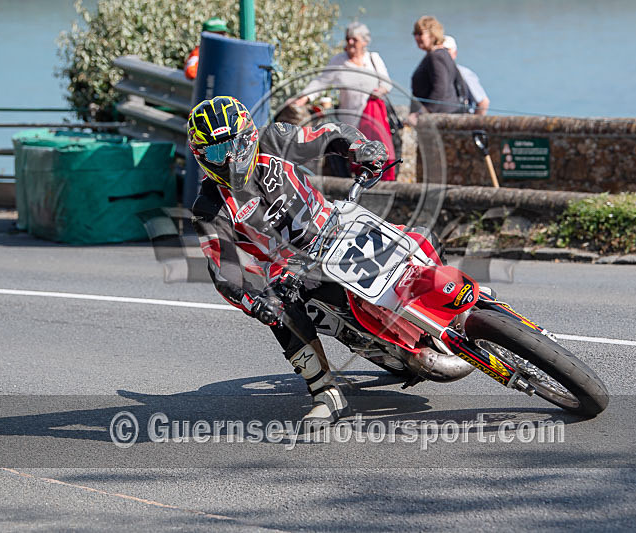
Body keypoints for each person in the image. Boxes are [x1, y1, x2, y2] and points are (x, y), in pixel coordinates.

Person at [187, 96, 388, 423]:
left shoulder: (275, 139)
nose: (228, 158)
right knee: (279, 311)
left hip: (336, 226)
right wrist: (255, 301)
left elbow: (328, 134)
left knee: (408, 235)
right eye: (214, 152)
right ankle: (325, 391)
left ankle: (472, 297)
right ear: (201, 158)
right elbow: (223, 269)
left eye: (233, 145)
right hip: (290, 271)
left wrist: (359, 148)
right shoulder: (209, 207)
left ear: (249, 136)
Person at [292, 22, 397, 180]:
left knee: (378, 155)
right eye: (348, 39)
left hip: (373, 118)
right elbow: (321, 82)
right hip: (351, 120)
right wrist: (305, 97)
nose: (350, 43)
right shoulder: (339, 61)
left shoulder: (373, 59)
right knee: (355, 158)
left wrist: (379, 91)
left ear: (364, 41)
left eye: (354, 39)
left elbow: (386, 83)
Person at [407, 16, 469, 125]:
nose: (417, 37)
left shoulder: (435, 57)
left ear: (432, 34)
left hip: (441, 116)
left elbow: (440, 88)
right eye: (415, 34)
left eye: (420, 34)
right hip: (450, 111)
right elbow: (460, 82)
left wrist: (422, 112)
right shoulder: (444, 53)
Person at [442, 35, 489, 115]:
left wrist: (473, 124)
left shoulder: (464, 74)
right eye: (439, 51)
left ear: (455, 53)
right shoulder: (428, 73)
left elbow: (483, 102)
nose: (443, 54)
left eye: (447, 50)